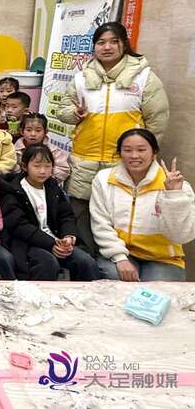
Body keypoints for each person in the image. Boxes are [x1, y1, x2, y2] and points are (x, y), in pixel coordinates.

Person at [57, 22, 169, 257]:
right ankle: (90, 265)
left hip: (124, 162)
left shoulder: (144, 78)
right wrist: (75, 113)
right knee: (81, 215)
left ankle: (117, 261)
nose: (107, 47)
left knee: (118, 215)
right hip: (84, 161)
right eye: (101, 42)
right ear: (94, 47)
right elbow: (62, 110)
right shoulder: (81, 78)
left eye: (113, 41)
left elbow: (157, 122)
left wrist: (144, 157)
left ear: (124, 44)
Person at [90, 129, 195, 282]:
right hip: (121, 253)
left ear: (154, 153)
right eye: (127, 150)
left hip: (163, 259)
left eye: (141, 150)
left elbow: (181, 236)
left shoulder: (178, 187)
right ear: (120, 153)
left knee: (156, 291)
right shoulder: (104, 179)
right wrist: (119, 257)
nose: (134, 156)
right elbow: (101, 223)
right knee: (114, 279)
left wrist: (173, 195)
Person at [0, 144, 99, 281]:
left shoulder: (52, 186)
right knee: (48, 264)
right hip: (28, 244)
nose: (43, 171)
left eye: (47, 166)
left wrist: (68, 237)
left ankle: (83, 294)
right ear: (24, 166)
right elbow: (19, 226)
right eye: (37, 166)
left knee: (86, 261)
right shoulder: (13, 190)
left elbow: (66, 215)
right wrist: (51, 243)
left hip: (56, 240)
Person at [13, 113, 70, 184]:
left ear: (45, 132)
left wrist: (44, 177)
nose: (33, 134)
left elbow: (63, 169)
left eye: (38, 131)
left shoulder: (52, 150)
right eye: (28, 130)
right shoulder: (14, 149)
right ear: (22, 131)